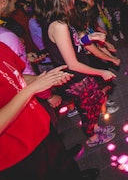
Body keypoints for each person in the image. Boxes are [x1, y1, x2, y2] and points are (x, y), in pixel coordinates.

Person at [32, 0, 117, 147]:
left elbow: (72, 43)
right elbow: (72, 64)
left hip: (81, 75)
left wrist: (88, 37)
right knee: (88, 109)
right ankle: (92, 138)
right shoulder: (58, 25)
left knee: (96, 101)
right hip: (77, 77)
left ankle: (96, 127)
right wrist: (102, 72)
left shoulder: (58, 20)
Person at [0, 42, 99, 180]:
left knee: (67, 169)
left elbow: (17, 78)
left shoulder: (2, 46)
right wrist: (32, 89)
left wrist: (43, 80)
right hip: (18, 155)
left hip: (42, 131)